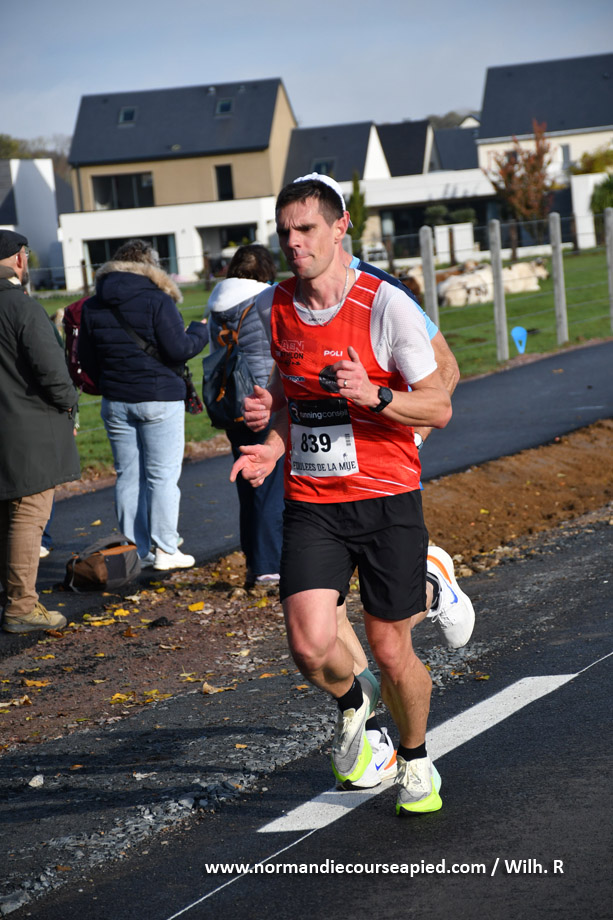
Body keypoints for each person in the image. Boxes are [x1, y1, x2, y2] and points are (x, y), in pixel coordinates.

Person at [231, 176, 474, 816]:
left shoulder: (384, 304)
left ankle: (415, 759)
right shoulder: (272, 308)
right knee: (310, 645)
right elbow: (292, 400)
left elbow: (439, 404)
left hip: (387, 498)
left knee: (391, 648)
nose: (294, 242)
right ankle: (354, 702)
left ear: (340, 228)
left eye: (307, 228)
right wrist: (271, 441)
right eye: (285, 231)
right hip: (313, 501)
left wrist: (377, 395)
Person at [78, 239, 209, 571]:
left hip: (116, 400)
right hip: (159, 398)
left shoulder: (92, 305)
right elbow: (178, 349)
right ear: (150, 265)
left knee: (127, 476)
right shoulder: (157, 299)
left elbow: (87, 360)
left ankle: (133, 552)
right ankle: (166, 548)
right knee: (162, 477)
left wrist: (112, 381)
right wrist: (200, 332)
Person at [0, 230, 80, 633]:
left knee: (7, 515)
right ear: (19, 258)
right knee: (28, 516)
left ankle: (13, 598)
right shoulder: (23, 308)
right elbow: (53, 373)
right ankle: (21, 606)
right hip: (27, 428)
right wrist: (69, 404)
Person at [207, 244, 284, 587]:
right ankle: (270, 566)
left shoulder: (215, 303)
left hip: (230, 404)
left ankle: (254, 563)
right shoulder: (266, 300)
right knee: (268, 483)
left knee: (246, 484)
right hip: (262, 402)